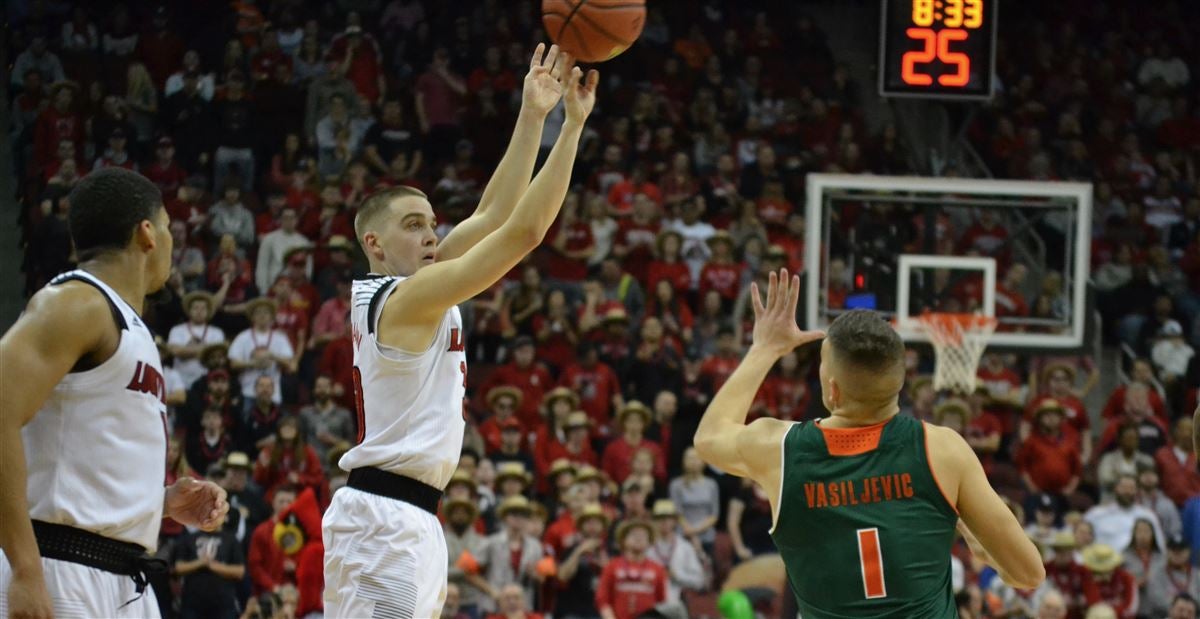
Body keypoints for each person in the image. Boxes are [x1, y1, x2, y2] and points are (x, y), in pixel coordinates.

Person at [321, 44, 598, 617]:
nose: (431, 235)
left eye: (432, 224)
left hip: (410, 517)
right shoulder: (403, 299)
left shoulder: (418, 286)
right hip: (384, 520)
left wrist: (533, 113)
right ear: (373, 243)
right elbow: (523, 234)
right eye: (413, 225)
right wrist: (569, 132)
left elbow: (495, 215)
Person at [693, 270, 1044, 617]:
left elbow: (709, 438)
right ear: (900, 382)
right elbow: (1029, 573)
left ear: (831, 389)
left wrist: (764, 349)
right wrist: (978, 546)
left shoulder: (780, 450)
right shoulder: (943, 449)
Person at [0, 167, 228, 617]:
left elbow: (78, 455)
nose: (169, 240)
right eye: (165, 226)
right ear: (146, 233)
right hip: (62, 569)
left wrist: (156, 504)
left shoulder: (126, 322)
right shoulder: (77, 302)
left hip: (123, 577)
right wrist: (26, 569)